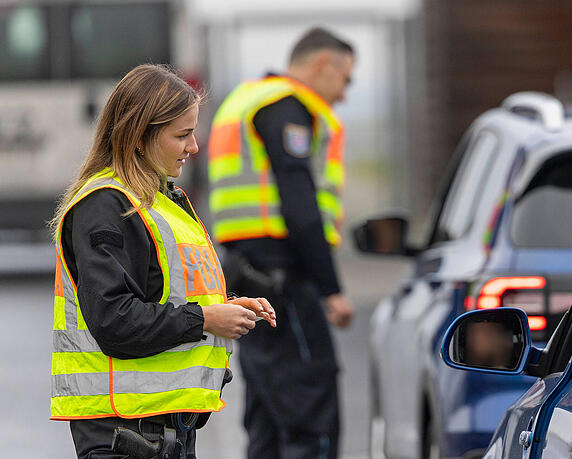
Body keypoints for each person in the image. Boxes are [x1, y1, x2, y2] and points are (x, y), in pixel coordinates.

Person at [48, 64, 276, 459]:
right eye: (182, 135)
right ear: (139, 136)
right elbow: (114, 320)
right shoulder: (105, 206)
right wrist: (205, 320)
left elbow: (163, 294)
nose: (194, 147)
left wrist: (223, 308)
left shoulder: (164, 201)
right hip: (122, 430)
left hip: (163, 427)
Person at [207, 27, 356, 459]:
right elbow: (301, 207)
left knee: (269, 418)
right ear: (322, 64)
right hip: (284, 279)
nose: (344, 94)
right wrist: (332, 289)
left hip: (247, 275)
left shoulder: (245, 100)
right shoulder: (286, 108)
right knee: (312, 415)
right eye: (346, 80)